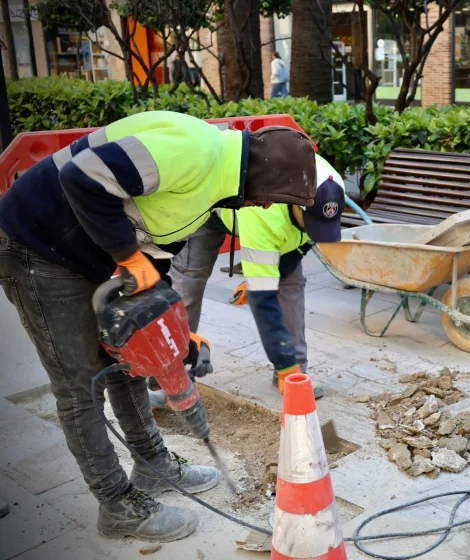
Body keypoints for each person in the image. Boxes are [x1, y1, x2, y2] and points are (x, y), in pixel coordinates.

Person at [0, 111, 317, 541]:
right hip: (37, 239)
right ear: (258, 174)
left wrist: (169, 331)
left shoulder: (215, 187)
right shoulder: (193, 151)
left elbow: (156, 255)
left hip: (85, 247)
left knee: (133, 358)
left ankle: (152, 465)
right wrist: (129, 260)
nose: (264, 207)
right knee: (80, 384)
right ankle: (117, 505)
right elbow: (83, 177)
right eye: (269, 197)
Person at [166, 154, 345, 401]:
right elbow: (264, 301)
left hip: (270, 219)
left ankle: (294, 376)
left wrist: (270, 274)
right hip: (210, 203)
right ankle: (170, 377)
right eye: (310, 223)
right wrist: (258, 280)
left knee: (291, 285)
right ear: (298, 203)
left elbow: (304, 243)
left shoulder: (332, 188)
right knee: (189, 281)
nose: (314, 231)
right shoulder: (266, 211)